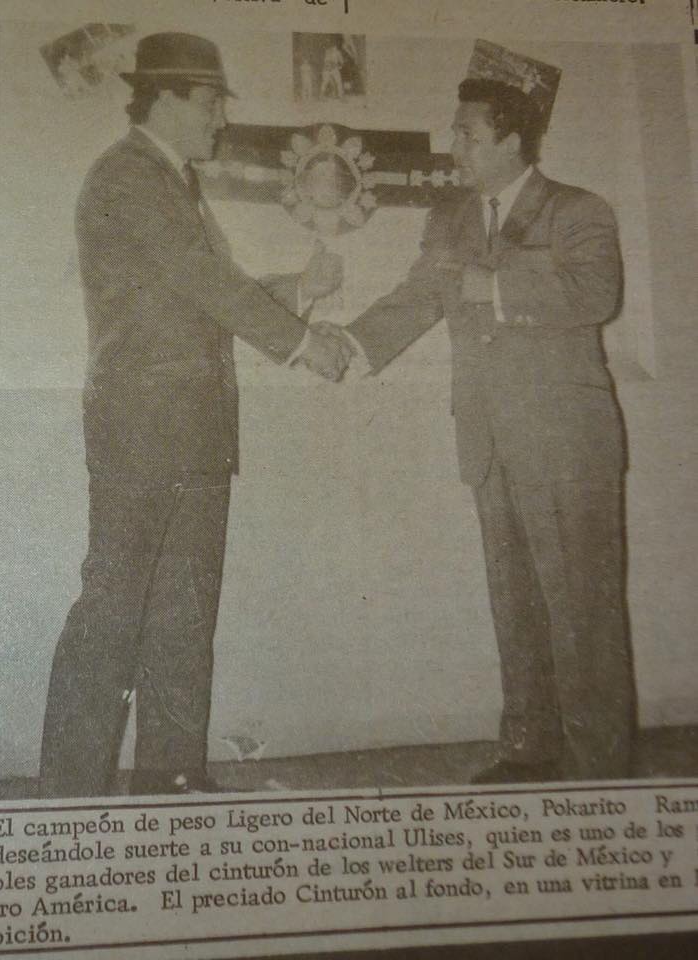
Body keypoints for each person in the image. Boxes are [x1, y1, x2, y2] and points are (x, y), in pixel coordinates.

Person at [39, 32, 352, 799]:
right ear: (166, 98)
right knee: (113, 616)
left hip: (193, 433)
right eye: (210, 102)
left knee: (183, 616)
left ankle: (170, 777)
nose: (220, 119)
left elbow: (204, 291)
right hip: (145, 431)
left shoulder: (172, 182)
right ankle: (68, 796)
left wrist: (299, 291)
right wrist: (302, 343)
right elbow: (204, 282)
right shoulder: (128, 175)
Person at [344, 78, 634, 783]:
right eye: (455, 133)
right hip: (488, 440)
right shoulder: (450, 217)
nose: (454, 148)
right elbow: (417, 297)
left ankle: (600, 774)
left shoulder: (578, 209)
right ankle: (529, 750)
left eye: (468, 135)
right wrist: (347, 345)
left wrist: (494, 288)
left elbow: (597, 294)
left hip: (566, 443)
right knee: (516, 602)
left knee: (582, 611)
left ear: (512, 140)